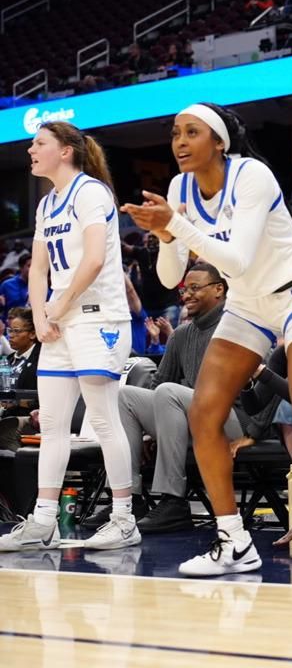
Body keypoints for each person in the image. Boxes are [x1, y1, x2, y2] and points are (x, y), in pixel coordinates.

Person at [120, 102, 292, 578]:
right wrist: (167, 236)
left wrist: (178, 223)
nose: (180, 142)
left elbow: (240, 258)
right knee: (204, 412)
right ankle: (233, 541)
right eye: (174, 134)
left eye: (192, 132)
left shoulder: (251, 175)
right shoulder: (178, 188)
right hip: (250, 304)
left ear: (219, 142)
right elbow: (172, 278)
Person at [0, 122, 138, 553]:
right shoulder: (47, 204)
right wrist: (40, 315)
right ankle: (43, 522)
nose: (30, 150)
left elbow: (95, 260)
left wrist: (56, 308)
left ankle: (123, 519)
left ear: (65, 151)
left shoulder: (91, 192)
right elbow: (38, 269)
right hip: (60, 324)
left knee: (101, 419)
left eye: (39, 143)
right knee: (54, 425)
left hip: (100, 320)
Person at [115, 262, 255, 533]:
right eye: (184, 289)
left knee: (170, 393)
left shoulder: (239, 328)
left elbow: (263, 384)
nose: (187, 295)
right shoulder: (180, 334)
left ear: (219, 290)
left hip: (232, 421)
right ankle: (130, 499)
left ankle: (174, 501)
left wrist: (257, 430)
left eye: (194, 288)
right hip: (192, 419)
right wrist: (148, 432)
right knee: (126, 397)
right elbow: (157, 385)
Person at [5, 307, 40, 391]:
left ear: (32, 334)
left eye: (16, 331)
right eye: (10, 330)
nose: (11, 335)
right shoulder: (8, 359)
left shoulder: (41, 359)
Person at [0, 253, 30, 323]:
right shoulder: (6, 285)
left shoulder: (40, 285)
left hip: (32, 328)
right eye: (29, 266)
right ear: (21, 267)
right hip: (10, 328)